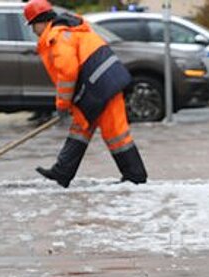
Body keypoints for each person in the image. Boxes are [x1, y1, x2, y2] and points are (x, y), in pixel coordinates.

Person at [24, 0, 147, 188]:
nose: (33, 30)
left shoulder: (58, 37)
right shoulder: (67, 30)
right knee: (81, 127)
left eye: (33, 25)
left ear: (40, 21)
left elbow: (67, 72)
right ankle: (62, 172)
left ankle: (135, 177)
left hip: (103, 87)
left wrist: (62, 104)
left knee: (116, 134)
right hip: (100, 85)